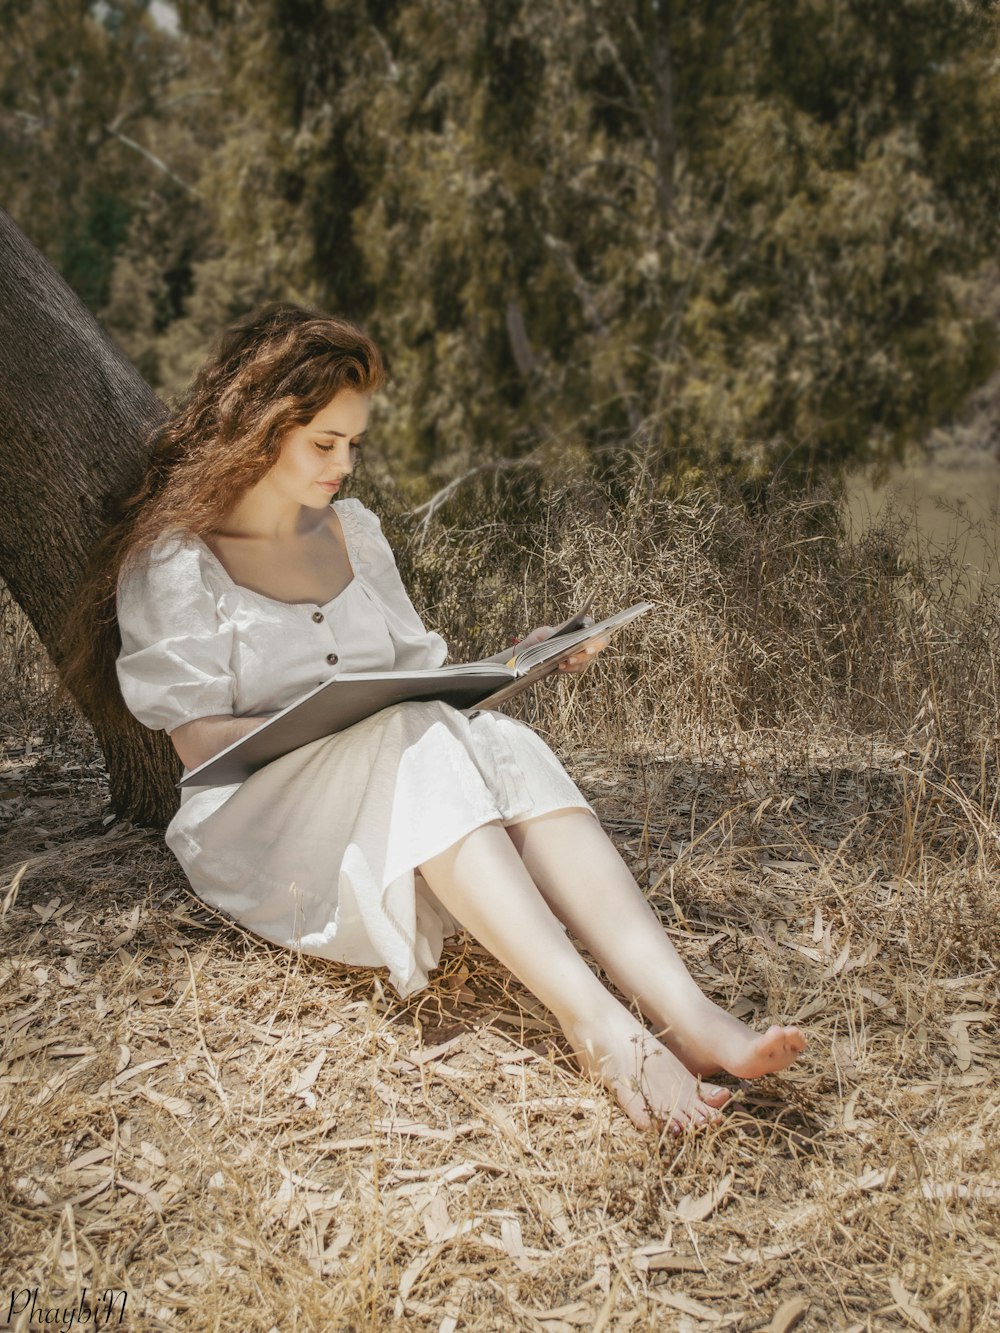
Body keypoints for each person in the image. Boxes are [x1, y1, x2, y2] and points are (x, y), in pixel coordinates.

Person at [66, 304, 806, 1134]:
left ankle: (693, 1015)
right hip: (261, 816)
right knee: (403, 733)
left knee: (501, 742)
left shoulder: (355, 533)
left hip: (395, 774)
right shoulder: (174, 558)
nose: (343, 464)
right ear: (261, 428)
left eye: (354, 444)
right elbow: (200, 747)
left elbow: (424, 687)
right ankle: (598, 1027)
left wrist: (516, 662)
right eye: (324, 443)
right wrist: (344, 721)